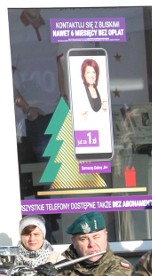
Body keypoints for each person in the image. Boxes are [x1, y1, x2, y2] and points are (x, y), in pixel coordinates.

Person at [10, 8, 65, 162]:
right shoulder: (14, 32)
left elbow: (57, 63)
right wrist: (26, 109)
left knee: (66, 167)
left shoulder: (49, 27)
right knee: (50, 170)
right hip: (36, 116)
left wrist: (64, 96)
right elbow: (6, 78)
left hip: (57, 110)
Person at [76, 58, 109, 123]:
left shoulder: (102, 89)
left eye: (93, 72)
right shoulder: (79, 91)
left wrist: (105, 109)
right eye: (88, 72)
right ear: (84, 75)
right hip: (85, 129)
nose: (91, 75)